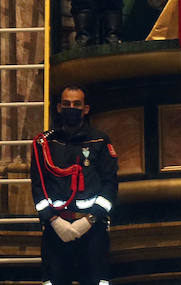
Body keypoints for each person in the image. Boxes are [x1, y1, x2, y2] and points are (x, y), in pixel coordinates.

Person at [31, 85, 120, 285]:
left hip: (92, 231)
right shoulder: (45, 143)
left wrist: (88, 220)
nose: (72, 108)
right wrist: (54, 221)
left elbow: (110, 185)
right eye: (67, 104)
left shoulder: (99, 140)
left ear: (86, 109)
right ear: (59, 107)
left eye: (76, 104)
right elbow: (38, 187)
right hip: (56, 232)